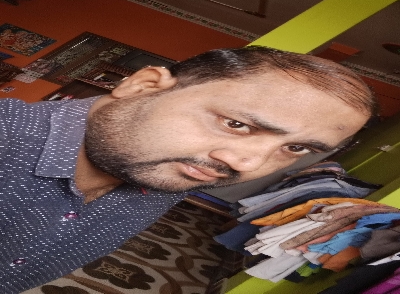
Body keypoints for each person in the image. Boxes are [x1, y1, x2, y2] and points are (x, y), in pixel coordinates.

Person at [0, 46, 375, 292]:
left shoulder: (171, 175)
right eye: (237, 124)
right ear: (142, 86)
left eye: (295, 148)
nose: (248, 164)